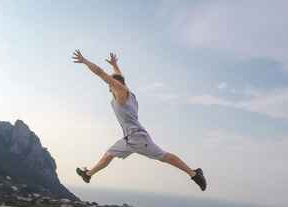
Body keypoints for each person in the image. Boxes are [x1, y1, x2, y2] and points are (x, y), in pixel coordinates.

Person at [72, 50, 206, 191]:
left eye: (111, 83)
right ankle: (88, 174)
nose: (108, 85)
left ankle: (194, 173)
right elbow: (120, 78)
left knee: (163, 156)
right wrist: (115, 65)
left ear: (115, 85)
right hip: (129, 138)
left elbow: (100, 72)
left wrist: (85, 61)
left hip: (137, 137)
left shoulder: (120, 91)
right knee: (109, 155)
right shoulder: (127, 92)